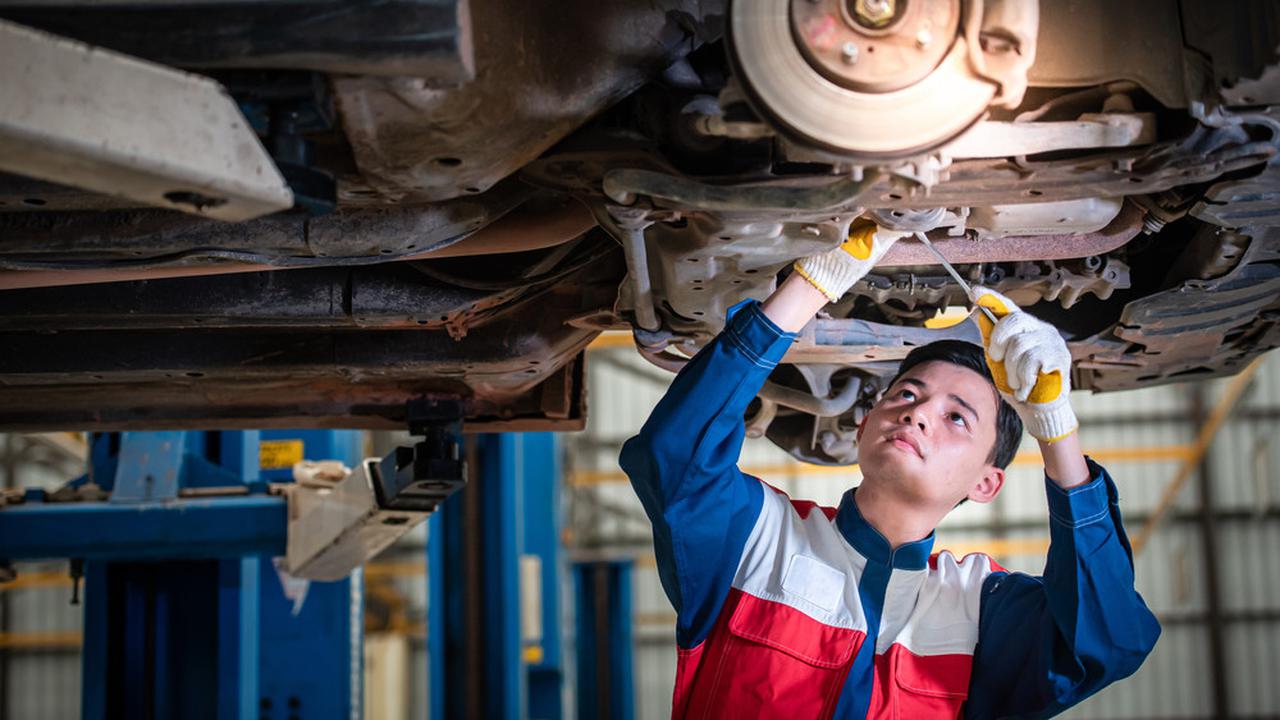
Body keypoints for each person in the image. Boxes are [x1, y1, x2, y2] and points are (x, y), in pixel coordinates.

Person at [619, 222, 1161, 719]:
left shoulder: (979, 607)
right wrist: (814, 282)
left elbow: (1108, 643)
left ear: (986, 482)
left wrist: (1055, 425)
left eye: (956, 417)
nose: (918, 412)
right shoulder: (761, 539)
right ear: (863, 427)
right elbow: (674, 455)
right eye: (906, 392)